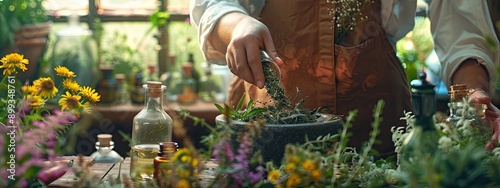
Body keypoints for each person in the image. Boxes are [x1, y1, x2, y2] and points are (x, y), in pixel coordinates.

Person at [189, 0, 500, 155]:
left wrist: (471, 94)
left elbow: (461, 25)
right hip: (266, 132)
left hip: (378, 134)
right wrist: (238, 25)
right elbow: (212, 5)